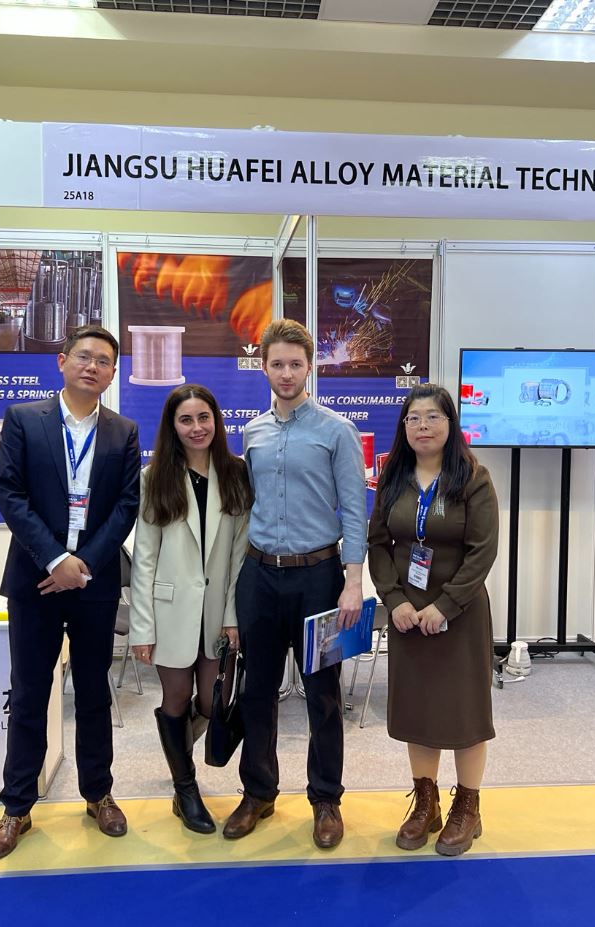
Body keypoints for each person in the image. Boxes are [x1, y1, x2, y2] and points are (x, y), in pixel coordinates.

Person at [0, 325, 141, 860]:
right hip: (36, 579)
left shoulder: (123, 432)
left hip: (93, 583)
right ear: (62, 361)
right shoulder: (24, 419)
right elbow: (9, 491)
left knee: (95, 692)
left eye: (104, 361)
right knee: (29, 692)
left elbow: (126, 505)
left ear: (112, 373)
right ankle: (17, 806)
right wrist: (56, 559)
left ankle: (99, 794)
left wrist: (84, 564)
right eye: (84, 356)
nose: (92, 366)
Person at [224, 318, 367, 850]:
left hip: (319, 578)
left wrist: (353, 582)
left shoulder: (336, 431)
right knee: (257, 692)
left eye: (295, 364)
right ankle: (258, 793)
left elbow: (354, 510)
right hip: (260, 575)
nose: (286, 373)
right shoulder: (253, 432)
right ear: (263, 367)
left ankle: (326, 799)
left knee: (322, 694)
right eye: (277, 364)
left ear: (310, 368)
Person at [367, 384, 499, 857]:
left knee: (464, 711)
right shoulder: (394, 477)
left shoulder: (473, 478)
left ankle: (467, 807)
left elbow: (483, 551)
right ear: (404, 427)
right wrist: (395, 600)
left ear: (450, 424)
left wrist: (444, 606)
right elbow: (378, 544)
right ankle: (426, 803)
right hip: (408, 616)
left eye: (433, 417)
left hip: (459, 614)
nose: (423, 426)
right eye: (414, 418)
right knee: (418, 710)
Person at [129, 384, 252, 834]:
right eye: (186, 420)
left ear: (216, 421)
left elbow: (240, 554)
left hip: (218, 611)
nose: (197, 427)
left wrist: (233, 616)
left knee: (211, 700)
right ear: (172, 426)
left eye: (204, 417)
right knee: (176, 698)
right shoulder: (154, 477)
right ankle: (185, 789)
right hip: (170, 610)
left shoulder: (236, 473)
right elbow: (144, 557)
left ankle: (179, 760)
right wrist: (142, 627)